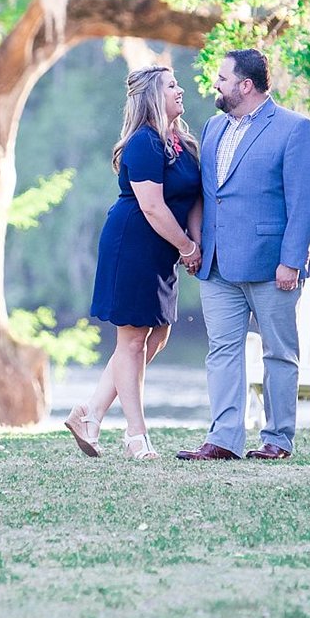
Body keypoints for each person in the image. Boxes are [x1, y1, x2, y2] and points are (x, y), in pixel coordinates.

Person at [179, 48, 310, 463]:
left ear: (245, 85)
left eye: (222, 79)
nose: (216, 86)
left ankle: (277, 439)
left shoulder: (294, 129)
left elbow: (306, 202)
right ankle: (223, 439)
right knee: (222, 351)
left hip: (271, 264)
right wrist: (196, 246)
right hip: (217, 265)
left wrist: (291, 261)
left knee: (278, 353)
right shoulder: (211, 127)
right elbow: (210, 195)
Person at [67, 62, 202, 461]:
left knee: (155, 337)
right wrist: (188, 248)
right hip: (134, 244)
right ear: (153, 97)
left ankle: (90, 413)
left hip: (164, 250)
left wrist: (191, 244)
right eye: (172, 86)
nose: (181, 90)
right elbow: (153, 208)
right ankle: (135, 436)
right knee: (131, 340)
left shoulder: (182, 141)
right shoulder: (144, 142)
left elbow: (192, 198)